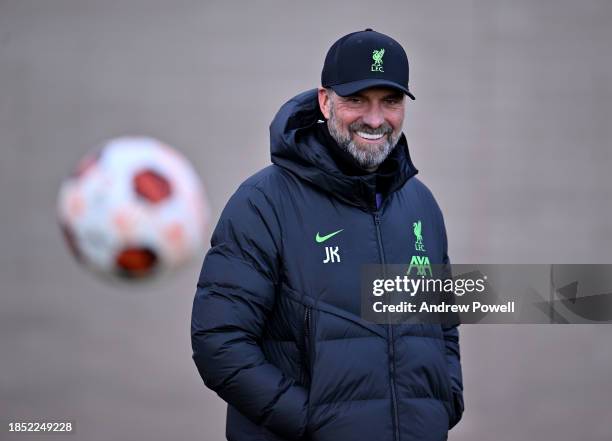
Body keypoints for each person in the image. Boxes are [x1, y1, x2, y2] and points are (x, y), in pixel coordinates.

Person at [191, 28, 464, 441]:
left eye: (389, 102)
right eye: (357, 100)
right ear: (325, 101)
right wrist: (314, 425)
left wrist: (446, 404)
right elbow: (219, 343)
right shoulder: (263, 203)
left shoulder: (421, 205)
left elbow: (441, 326)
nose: (375, 119)